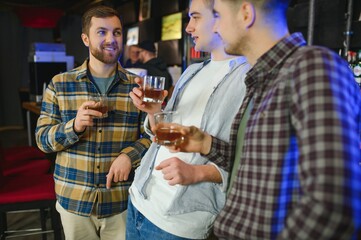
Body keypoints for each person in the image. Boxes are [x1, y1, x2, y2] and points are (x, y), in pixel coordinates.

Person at [168, 0, 361, 239]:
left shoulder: (312, 67)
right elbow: (259, 166)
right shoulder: (262, 77)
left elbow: (334, 206)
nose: (215, 27)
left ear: (246, 14)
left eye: (217, 15)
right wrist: (206, 143)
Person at [125, 0, 250, 239]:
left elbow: (250, 161)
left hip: (180, 220)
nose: (188, 28)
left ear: (220, 16)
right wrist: (153, 110)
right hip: (140, 198)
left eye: (195, 17)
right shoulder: (192, 71)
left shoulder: (248, 78)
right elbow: (162, 136)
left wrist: (198, 173)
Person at [35, 6, 151, 240]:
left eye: (116, 33)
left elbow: (152, 137)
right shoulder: (60, 84)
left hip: (121, 201)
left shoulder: (137, 86)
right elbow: (42, 140)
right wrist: (74, 126)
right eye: (102, 32)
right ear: (85, 38)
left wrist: (130, 155)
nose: (111, 39)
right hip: (74, 200)